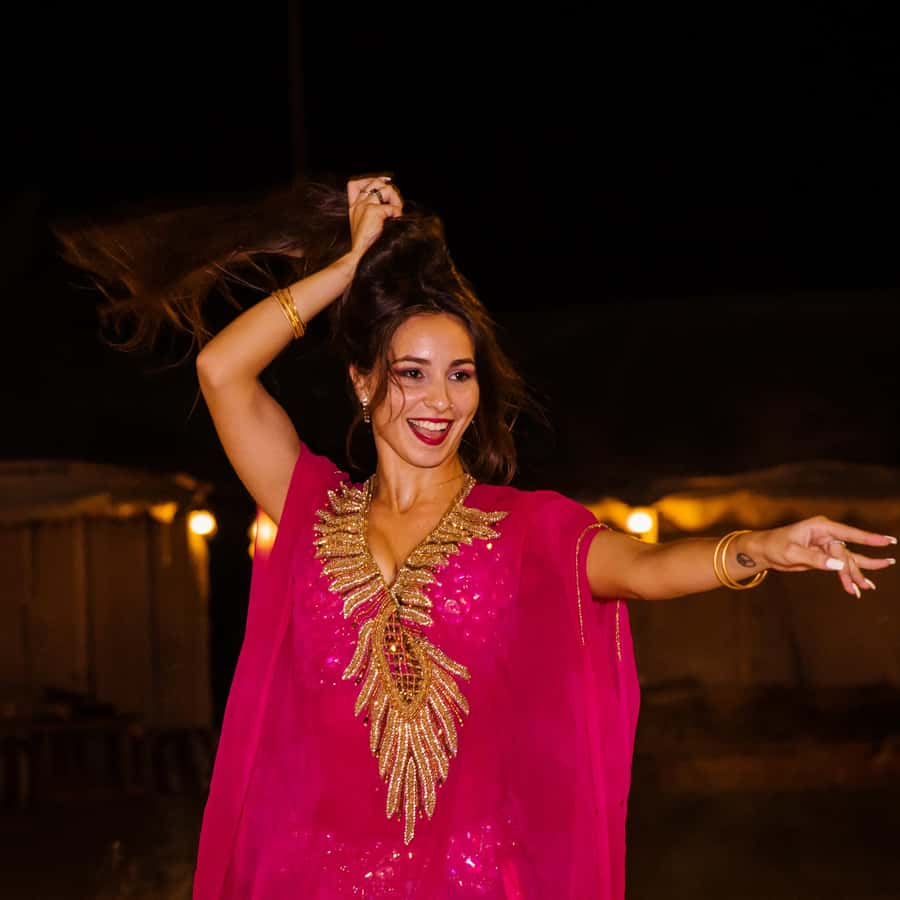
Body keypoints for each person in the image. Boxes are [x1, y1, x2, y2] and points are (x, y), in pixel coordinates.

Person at [56, 173, 895, 899]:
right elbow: (220, 370)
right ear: (362, 383)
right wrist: (343, 269)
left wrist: (756, 548)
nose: (440, 400)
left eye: (460, 375)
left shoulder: (523, 528)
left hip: (473, 880)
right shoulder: (310, 508)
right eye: (411, 373)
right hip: (314, 877)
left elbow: (641, 568)